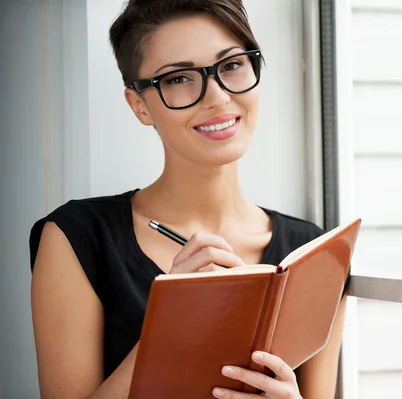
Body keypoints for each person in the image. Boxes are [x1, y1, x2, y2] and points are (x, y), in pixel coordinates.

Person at [28, 1, 349, 398]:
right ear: (139, 105)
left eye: (231, 65)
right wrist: (170, 325)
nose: (216, 96)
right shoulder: (78, 238)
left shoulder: (312, 252)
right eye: (179, 78)